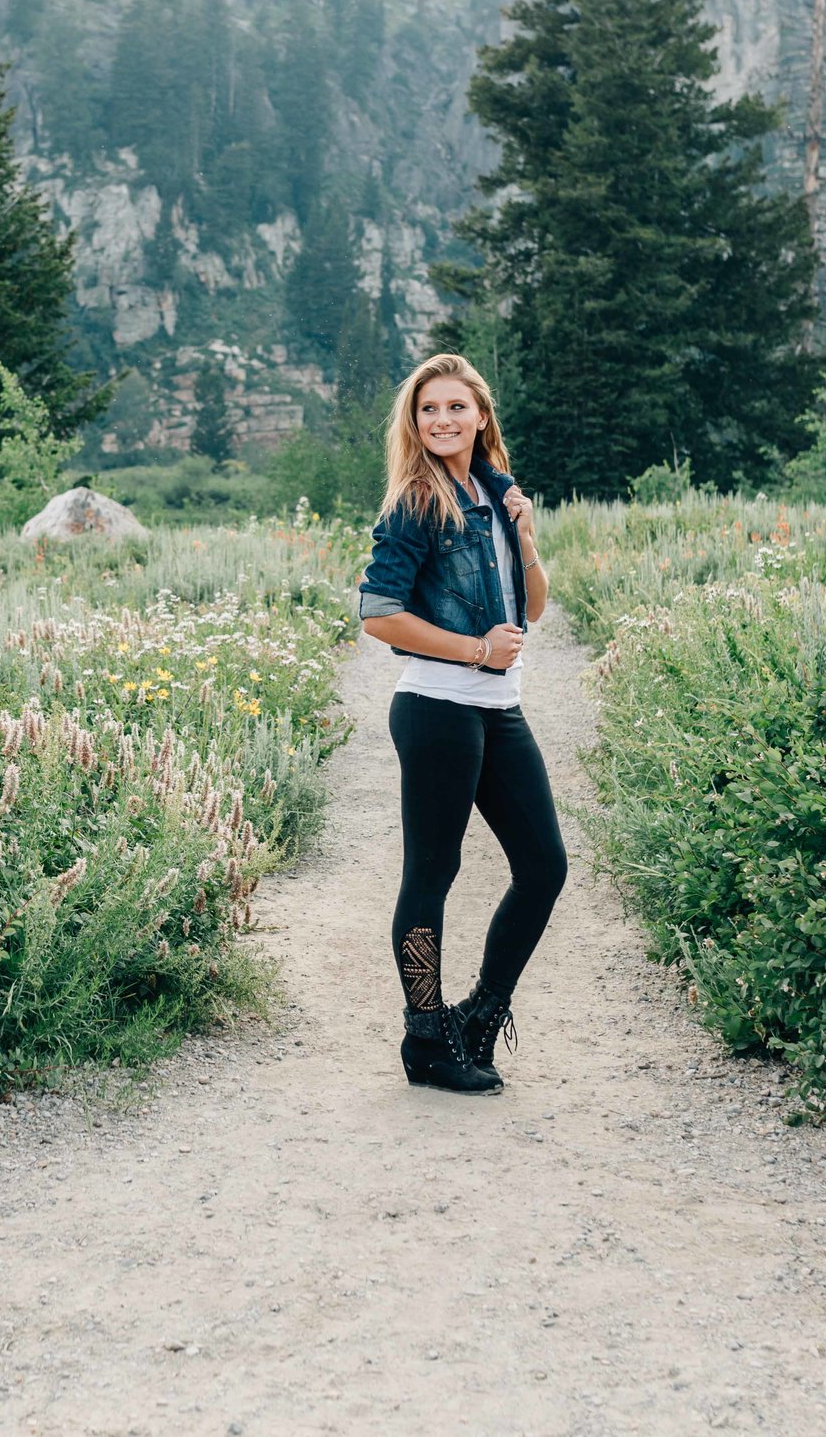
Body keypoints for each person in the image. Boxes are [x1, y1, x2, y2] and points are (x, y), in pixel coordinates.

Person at [355, 353, 568, 1094]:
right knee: (433, 872)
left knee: (545, 866)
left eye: (454, 407)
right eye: (426, 409)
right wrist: (477, 649)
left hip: (498, 709)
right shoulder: (416, 500)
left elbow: (533, 608)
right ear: (414, 424)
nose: (440, 420)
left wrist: (528, 534)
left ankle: (478, 1015)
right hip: (436, 708)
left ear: (481, 414)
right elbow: (379, 614)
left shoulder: (496, 492)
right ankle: (425, 1039)